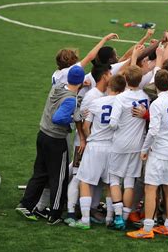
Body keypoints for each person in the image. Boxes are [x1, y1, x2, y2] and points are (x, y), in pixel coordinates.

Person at [16, 65, 85, 224]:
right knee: (58, 178)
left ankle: (25, 204)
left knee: (40, 173)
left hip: (42, 135)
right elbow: (58, 118)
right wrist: (74, 118)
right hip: (56, 140)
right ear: (81, 82)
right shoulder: (70, 100)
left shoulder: (58, 87)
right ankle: (54, 214)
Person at [126, 69, 168, 239]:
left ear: (155, 85)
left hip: (159, 151)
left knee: (150, 188)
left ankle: (147, 229)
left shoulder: (157, 104)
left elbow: (153, 131)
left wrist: (144, 150)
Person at [73, 74, 127, 229]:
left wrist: (91, 138)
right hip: (113, 147)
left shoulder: (97, 102)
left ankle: (84, 220)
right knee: (111, 184)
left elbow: (85, 126)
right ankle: (110, 219)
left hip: (95, 146)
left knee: (84, 181)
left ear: (109, 85)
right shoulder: (123, 103)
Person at [109, 53, 150, 230]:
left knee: (114, 179)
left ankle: (118, 218)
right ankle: (125, 217)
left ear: (125, 79)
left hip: (120, 143)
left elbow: (112, 123)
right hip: (137, 145)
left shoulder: (120, 98)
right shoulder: (146, 98)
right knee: (130, 182)